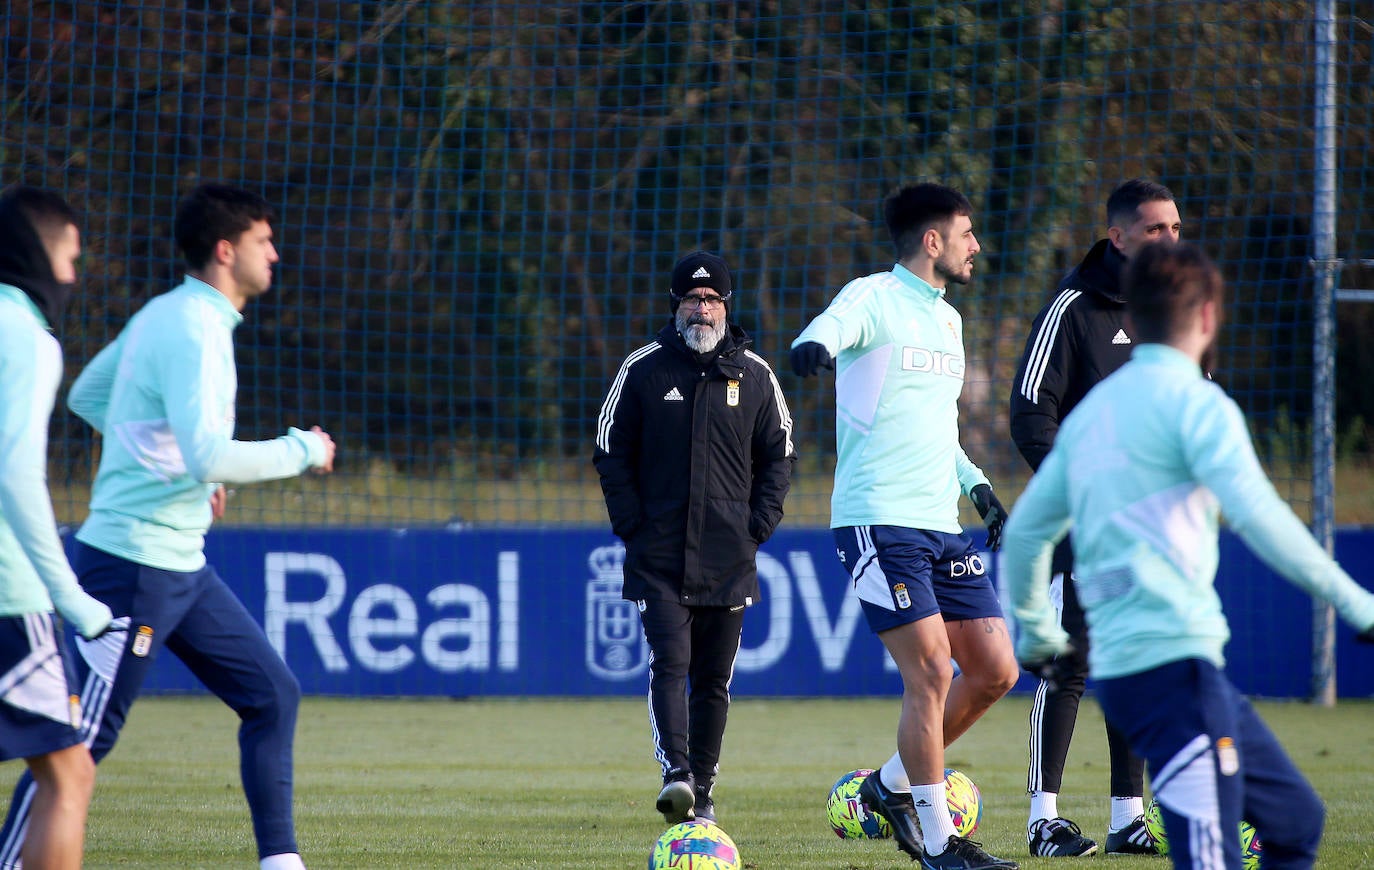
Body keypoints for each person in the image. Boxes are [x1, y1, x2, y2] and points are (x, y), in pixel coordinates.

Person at [1001, 240, 1374, 870]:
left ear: (1135, 318)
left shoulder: (1091, 418)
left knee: (1296, 822)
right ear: (1206, 318)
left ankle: (1129, 815)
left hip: (1150, 674)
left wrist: (1037, 632)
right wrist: (1357, 602)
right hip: (1171, 676)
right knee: (1211, 859)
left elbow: (1025, 536)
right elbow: (1264, 519)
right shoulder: (1200, 406)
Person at [0, 183, 336, 870]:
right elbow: (208, 449)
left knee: (272, 695)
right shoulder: (196, 327)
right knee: (74, 752)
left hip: (181, 564)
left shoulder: (165, 313)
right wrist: (303, 449)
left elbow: (94, 396)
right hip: (132, 567)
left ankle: (282, 863)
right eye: (263, 241)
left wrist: (184, 471)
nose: (275, 253)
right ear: (225, 250)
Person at [790, 183, 1020, 870]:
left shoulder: (947, 322)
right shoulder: (873, 297)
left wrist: (977, 486)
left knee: (996, 671)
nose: (975, 245)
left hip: (940, 523)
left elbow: (937, 428)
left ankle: (891, 786)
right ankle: (939, 843)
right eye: (967, 233)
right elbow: (825, 328)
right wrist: (813, 348)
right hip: (878, 521)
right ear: (932, 241)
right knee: (931, 671)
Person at [1008, 178, 1181, 857]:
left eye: (1175, 228)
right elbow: (1028, 412)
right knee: (1070, 661)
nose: (1169, 240)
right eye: (1155, 230)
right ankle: (1041, 820)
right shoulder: (1073, 309)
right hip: (1081, 524)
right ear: (1119, 237)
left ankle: (1125, 818)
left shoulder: (1173, 314)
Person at [593, 251, 796, 825]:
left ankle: (702, 789)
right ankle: (676, 774)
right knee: (670, 662)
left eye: (711, 301)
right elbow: (609, 448)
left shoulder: (756, 375)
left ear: (726, 308)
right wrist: (631, 522)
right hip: (658, 553)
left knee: (713, 680)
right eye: (691, 299)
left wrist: (758, 524)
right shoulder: (643, 369)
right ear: (676, 306)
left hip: (730, 555)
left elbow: (780, 457)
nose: (701, 309)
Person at [0, 186, 113, 870]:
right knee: (68, 775)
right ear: (42, 253)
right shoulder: (29, 340)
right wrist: (69, 596)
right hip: (9, 592)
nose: (74, 274)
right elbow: (15, 477)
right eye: (71, 255)